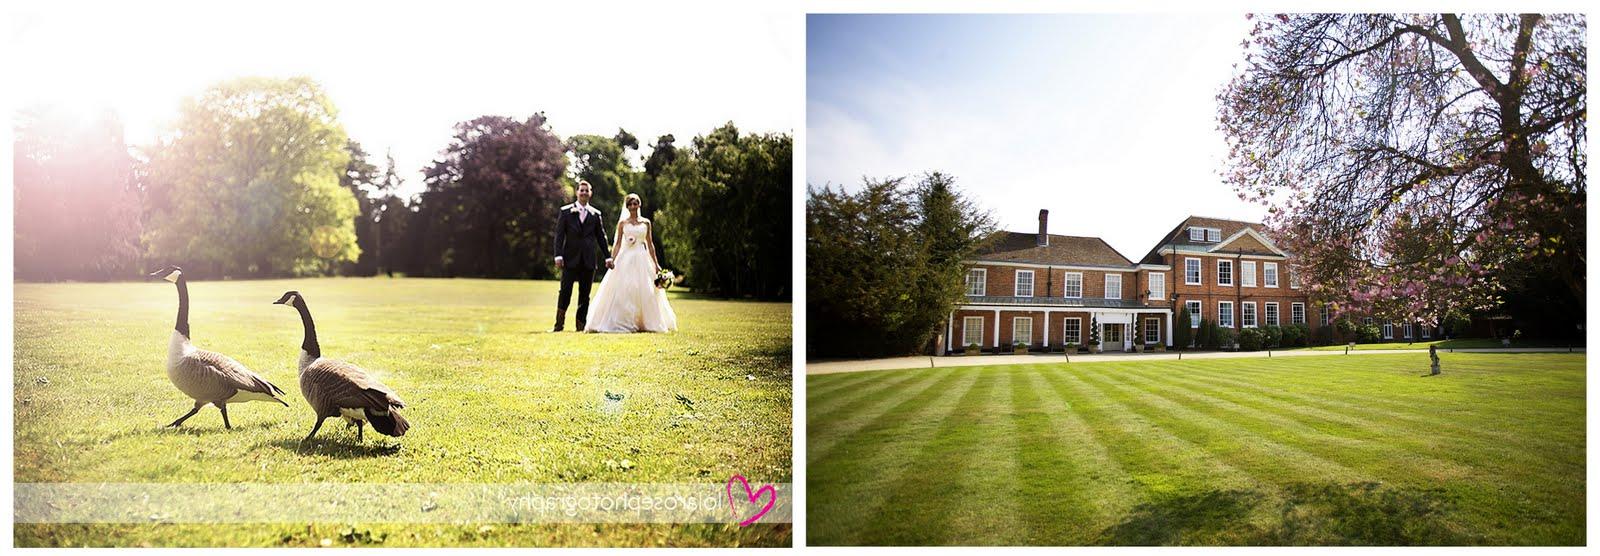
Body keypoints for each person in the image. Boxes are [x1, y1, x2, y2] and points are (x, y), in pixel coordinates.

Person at [585, 193, 678, 333]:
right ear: (627, 206)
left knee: (645, 289)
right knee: (625, 288)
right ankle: (624, 320)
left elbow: (650, 244)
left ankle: (645, 321)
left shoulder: (646, 222)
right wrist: (612, 259)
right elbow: (617, 244)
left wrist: (656, 264)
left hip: (642, 258)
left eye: (635, 203)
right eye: (630, 204)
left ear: (639, 205)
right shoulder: (622, 223)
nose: (633, 206)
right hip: (626, 258)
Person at [552, 180, 612, 332]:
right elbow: (559, 236)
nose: (584, 193)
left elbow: (601, 237)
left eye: (587, 190)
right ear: (577, 192)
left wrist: (607, 256)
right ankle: (559, 325)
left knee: (585, 295)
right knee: (565, 291)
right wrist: (558, 255)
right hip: (569, 259)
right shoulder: (565, 211)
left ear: (590, 193)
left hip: (588, 260)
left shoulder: (596, 214)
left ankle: (581, 326)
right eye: (581, 190)